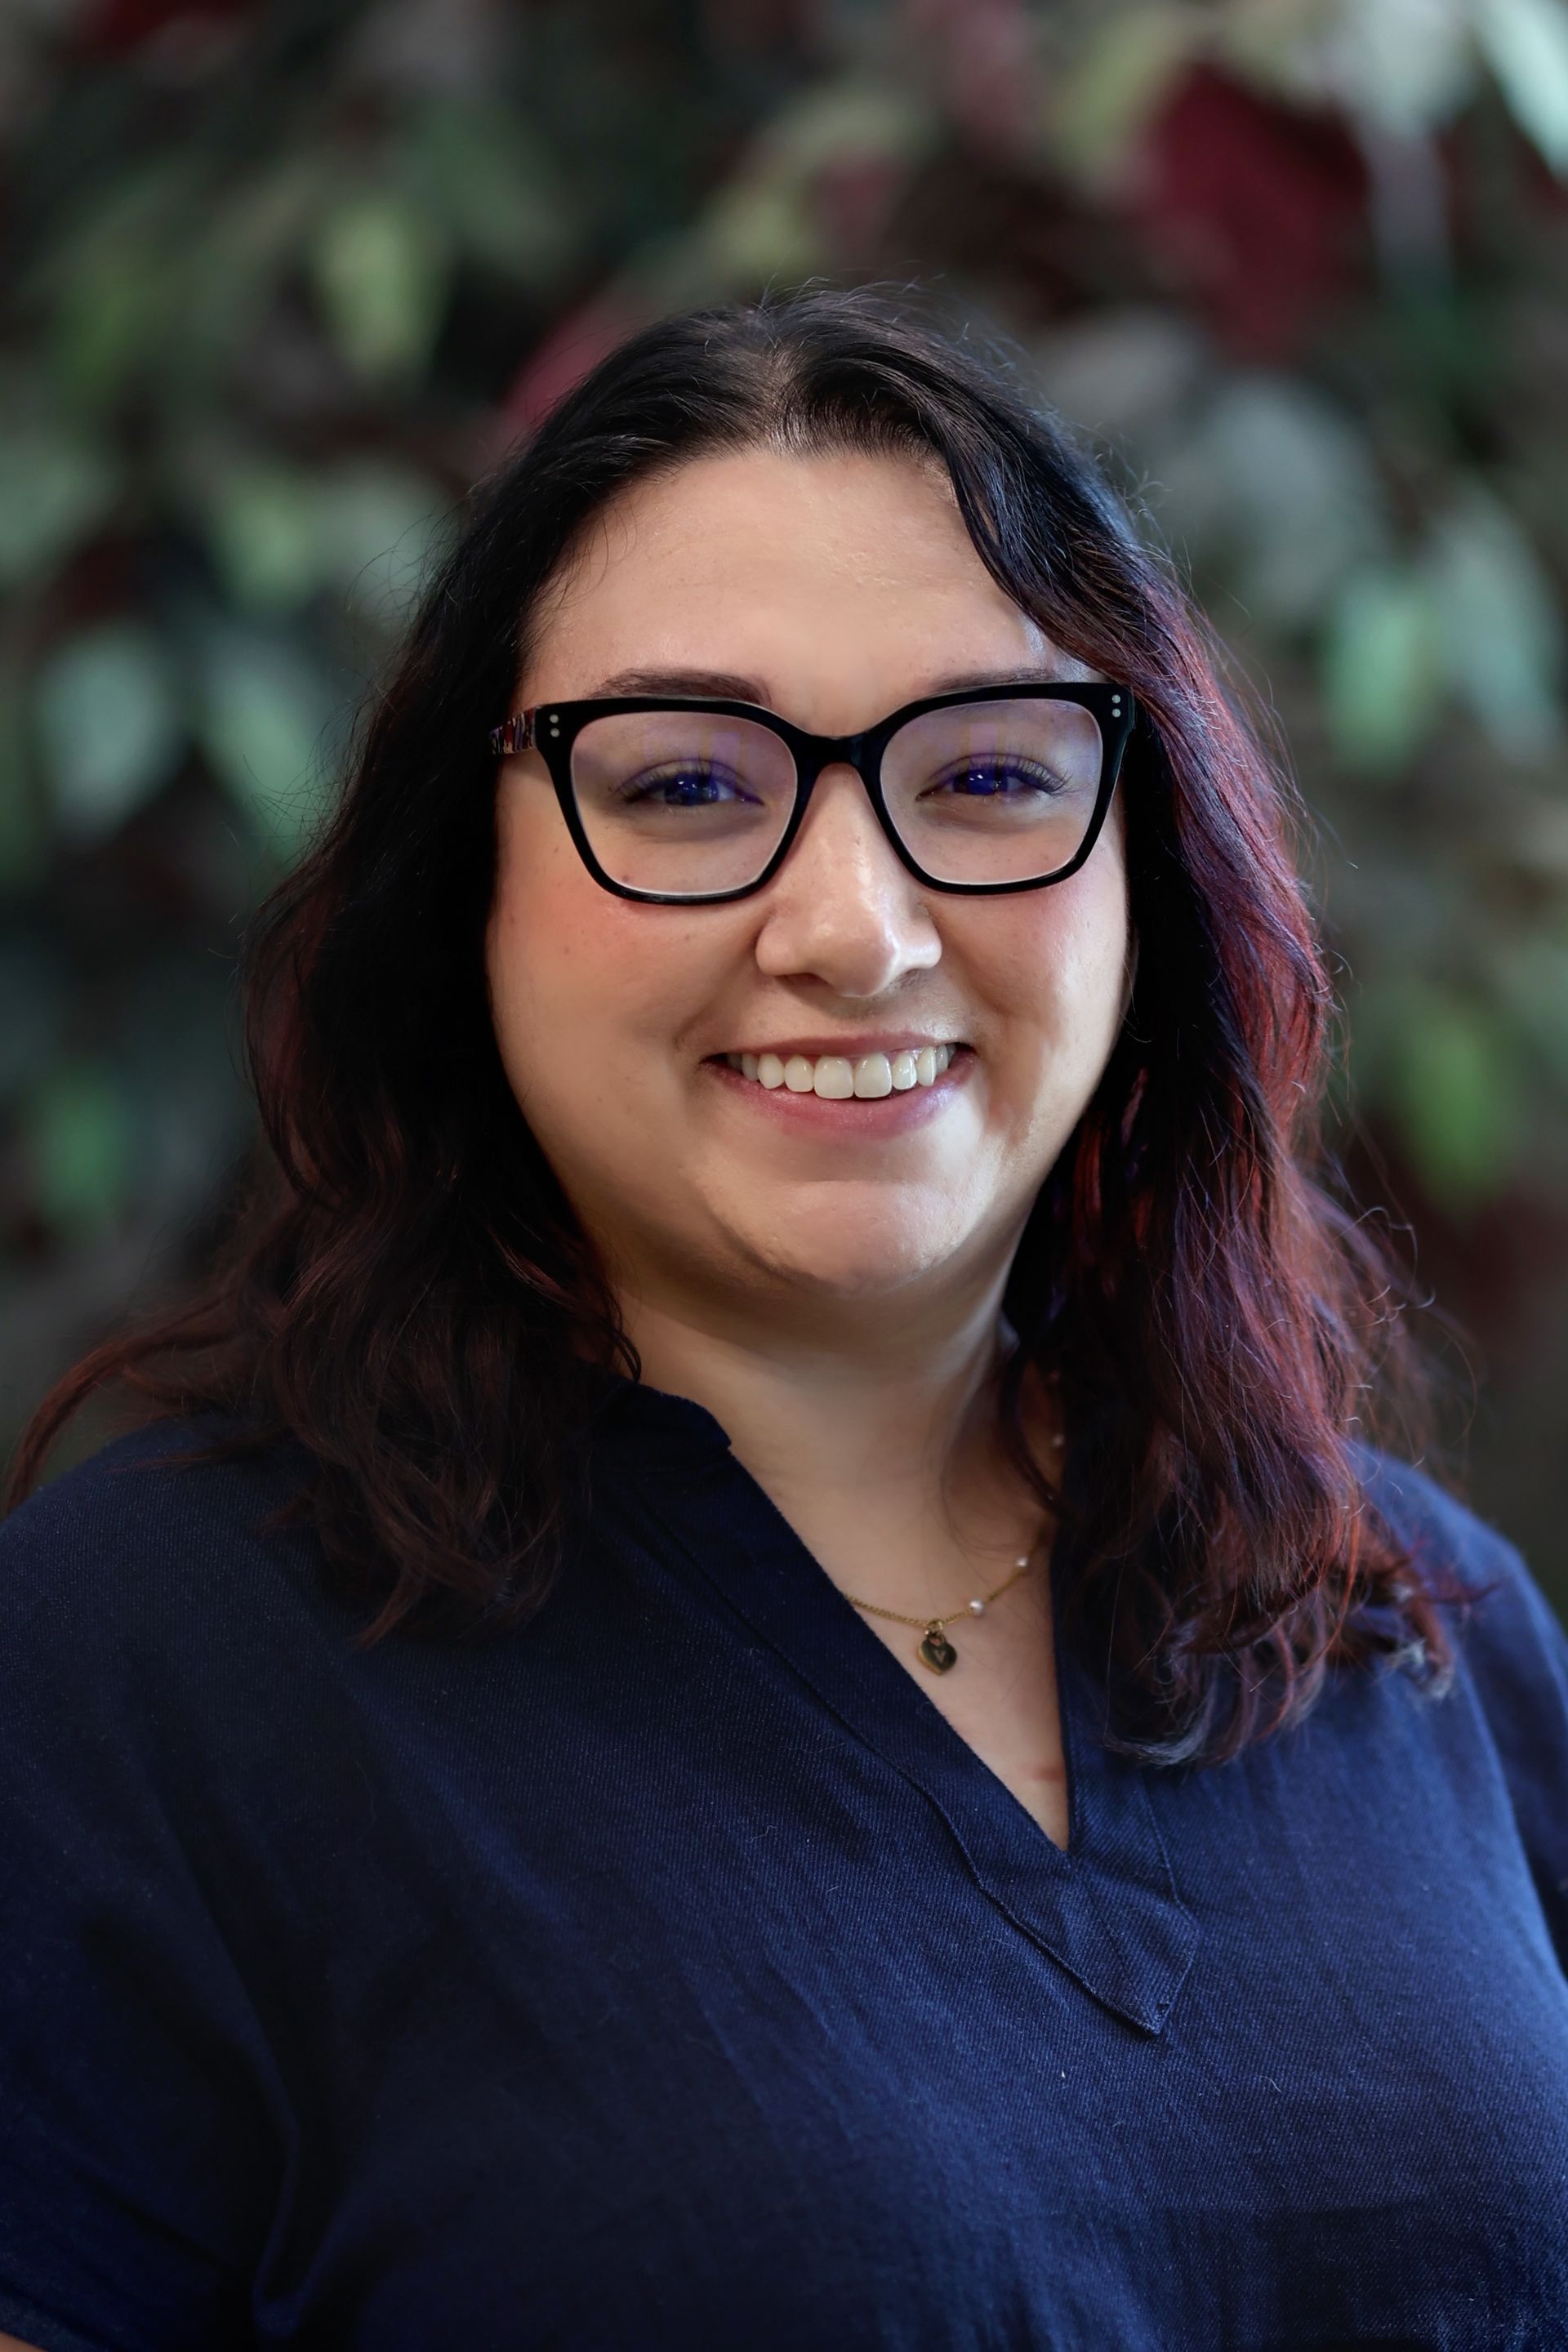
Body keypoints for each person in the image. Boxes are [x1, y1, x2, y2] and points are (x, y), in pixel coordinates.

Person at [1, 282, 1565, 2352]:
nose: (854, 927)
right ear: (461, 882)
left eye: (995, 772)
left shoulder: (1425, 1627)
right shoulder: (138, 1675)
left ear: (1150, 867)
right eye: (684, 788)